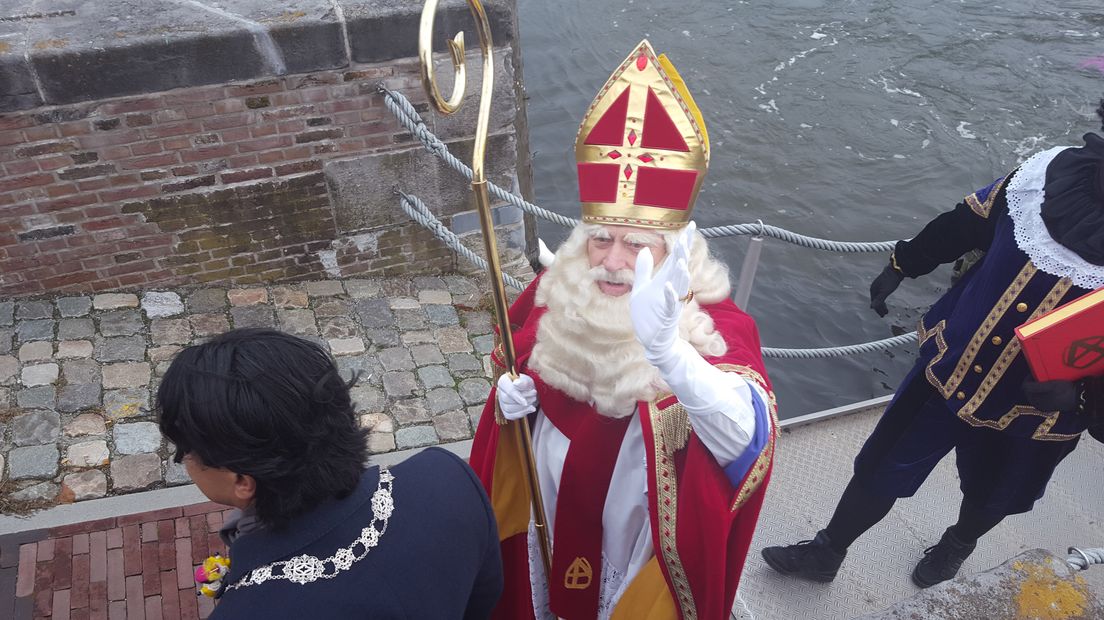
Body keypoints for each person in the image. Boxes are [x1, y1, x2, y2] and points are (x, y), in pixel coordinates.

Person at [469, 40, 778, 620]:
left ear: (672, 250)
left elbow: (748, 442)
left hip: (637, 528)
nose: (612, 261)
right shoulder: (560, 284)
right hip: (551, 499)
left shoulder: (717, 326)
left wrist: (669, 353)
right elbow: (514, 347)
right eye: (601, 238)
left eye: (637, 244)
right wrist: (511, 404)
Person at [761, 99, 1104, 589]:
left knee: (991, 495)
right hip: (950, 366)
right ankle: (826, 552)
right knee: (881, 466)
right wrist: (904, 263)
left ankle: (957, 544)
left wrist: (1084, 399)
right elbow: (967, 224)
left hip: (1035, 415)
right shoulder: (1048, 172)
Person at [156, 328, 503, 618]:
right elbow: (486, 599)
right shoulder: (447, 477)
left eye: (184, 451)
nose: (184, 460)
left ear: (242, 482)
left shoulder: (247, 610)